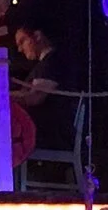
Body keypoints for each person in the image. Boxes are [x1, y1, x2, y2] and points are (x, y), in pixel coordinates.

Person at [12, 20, 79, 150]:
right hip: (45, 129)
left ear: (37, 36)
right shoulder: (45, 64)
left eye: (22, 41)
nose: (20, 49)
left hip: (51, 133)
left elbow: (34, 98)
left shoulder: (52, 62)